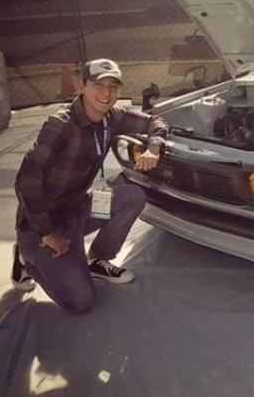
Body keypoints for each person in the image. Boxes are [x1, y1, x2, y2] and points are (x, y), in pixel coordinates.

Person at [10, 58, 168, 313]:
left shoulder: (111, 116)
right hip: (42, 226)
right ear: (82, 86)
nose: (107, 93)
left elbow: (154, 121)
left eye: (113, 86)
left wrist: (154, 147)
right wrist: (47, 234)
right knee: (80, 301)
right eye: (99, 85)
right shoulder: (60, 124)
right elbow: (25, 182)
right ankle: (25, 257)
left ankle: (97, 260)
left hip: (76, 210)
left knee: (131, 196)